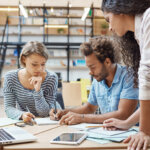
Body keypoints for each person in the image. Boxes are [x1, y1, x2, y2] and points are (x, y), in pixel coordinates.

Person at [50, 36, 138, 125]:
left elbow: (123, 115)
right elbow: (89, 108)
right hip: (109, 132)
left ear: (107, 62)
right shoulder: (98, 80)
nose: (90, 72)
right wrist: (64, 113)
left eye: (93, 67)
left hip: (132, 134)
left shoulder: (129, 76)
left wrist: (82, 118)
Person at [101, 0, 150, 149]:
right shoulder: (139, 33)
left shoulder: (148, 17)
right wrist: (127, 123)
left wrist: (144, 131)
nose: (109, 28)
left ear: (119, 9)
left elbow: (147, 76)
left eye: (109, 20)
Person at [3, 41, 61, 123]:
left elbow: (44, 113)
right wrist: (22, 115)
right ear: (24, 59)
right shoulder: (10, 78)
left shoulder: (51, 78)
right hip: (26, 121)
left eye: (43, 64)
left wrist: (38, 91)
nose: (39, 69)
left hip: (48, 121)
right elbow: (9, 108)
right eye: (34, 64)